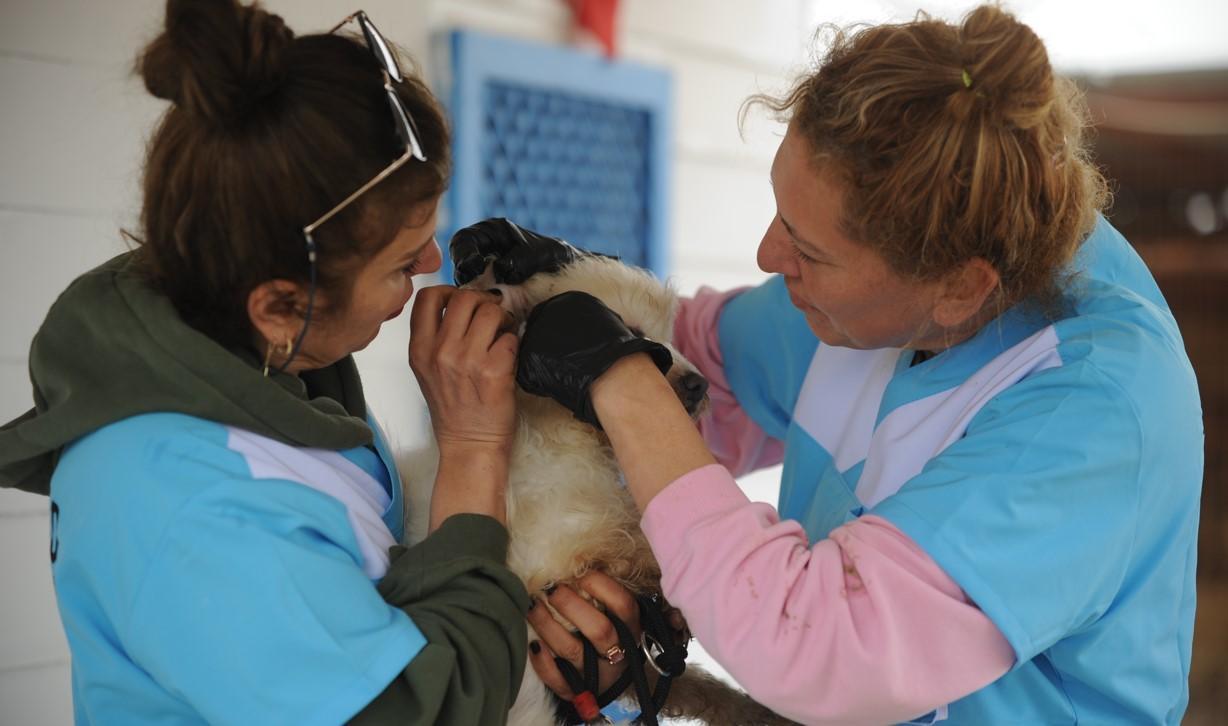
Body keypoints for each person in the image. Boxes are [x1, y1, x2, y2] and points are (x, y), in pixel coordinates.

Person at [449, 5, 1203, 724]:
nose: (769, 259)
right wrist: (584, 289)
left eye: (807, 251)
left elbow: (818, 643)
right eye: (782, 214)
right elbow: (708, 377)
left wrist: (619, 374)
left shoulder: (1090, 415)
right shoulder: (877, 289)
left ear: (959, 288)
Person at [0, 1, 529, 723]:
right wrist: (474, 451)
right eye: (404, 262)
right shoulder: (193, 507)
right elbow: (427, 710)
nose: (433, 267)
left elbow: (369, 577)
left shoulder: (254, 373)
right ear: (278, 305)